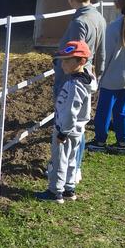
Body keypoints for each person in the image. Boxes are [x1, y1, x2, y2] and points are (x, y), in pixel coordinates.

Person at [49, 0, 106, 184]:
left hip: (71, 80)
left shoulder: (80, 22)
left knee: (66, 125)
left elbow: (74, 54)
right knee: (79, 126)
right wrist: (97, 76)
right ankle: (74, 171)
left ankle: (60, 177)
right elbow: (101, 52)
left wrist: (61, 73)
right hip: (87, 76)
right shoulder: (98, 17)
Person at [87, 0, 125, 155]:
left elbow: (105, 55)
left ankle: (99, 141)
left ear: (116, 5)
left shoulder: (112, 28)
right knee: (122, 110)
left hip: (113, 77)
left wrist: (99, 74)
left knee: (104, 110)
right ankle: (122, 142)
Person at [37, 41, 96, 203]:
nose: (63, 64)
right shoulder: (86, 79)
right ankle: (69, 189)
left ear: (81, 62)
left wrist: (63, 132)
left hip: (66, 129)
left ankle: (54, 192)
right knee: (71, 159)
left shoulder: (75, 85)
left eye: (68, 61)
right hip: (77, 129)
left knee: (60, 160)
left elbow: (71, 111)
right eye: (62, 60)